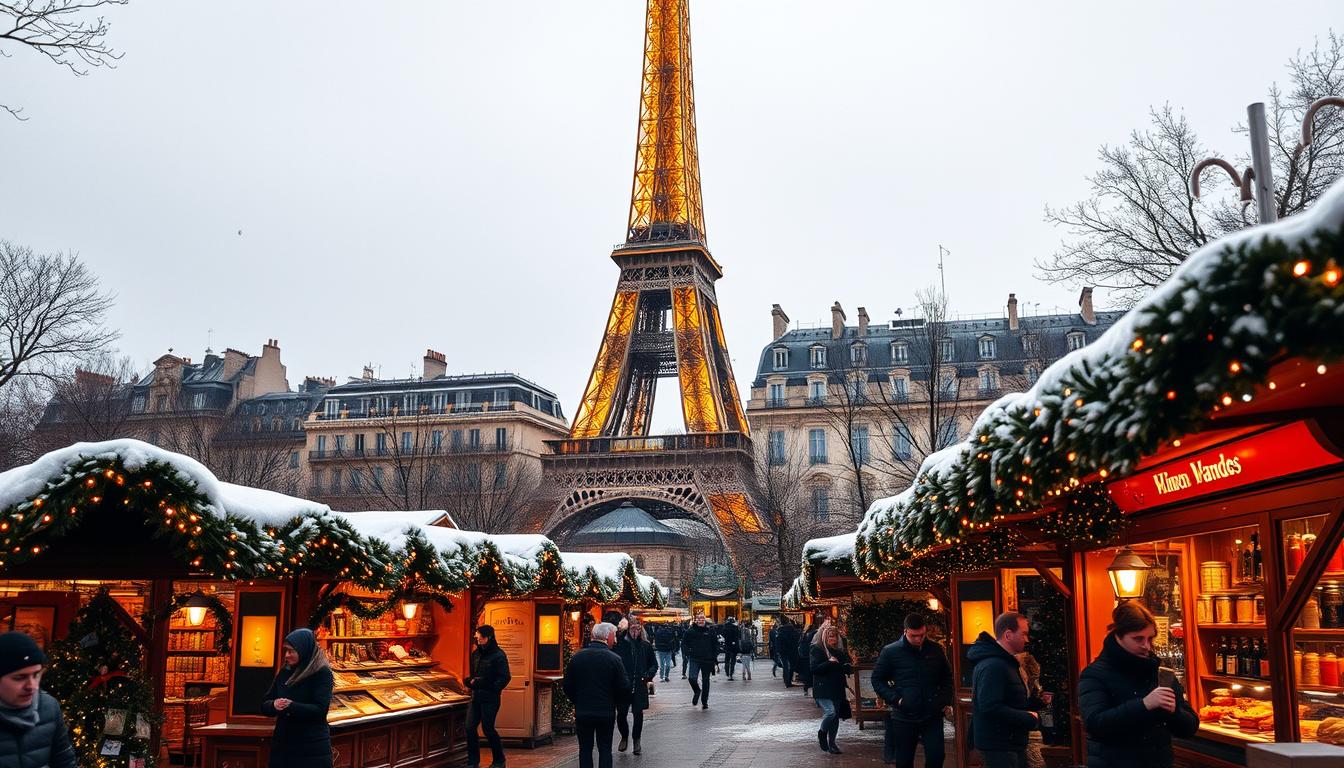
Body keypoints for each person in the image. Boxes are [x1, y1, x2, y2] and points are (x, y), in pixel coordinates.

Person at [1078, 602, 1198, 768]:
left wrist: (1174, 712)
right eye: (1138, 639)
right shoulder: (1095, 674)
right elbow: (1095, 724)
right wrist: (1144, 705)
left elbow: (1190, 727)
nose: (1146, 646)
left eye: (1150, 638)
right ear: (1118, 636)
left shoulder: (1157, 671)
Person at [871, 613, 953, 768]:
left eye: (921, 635)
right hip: (904, 715)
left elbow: (947, 678)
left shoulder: (935, 650)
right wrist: (897, 699)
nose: (918, 639)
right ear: (905, 631)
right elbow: (877, 680)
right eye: (914, 636)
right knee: (904, 760)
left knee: (936, 756)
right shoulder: (891, 651)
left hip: (932, 714)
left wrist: (942, 700)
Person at [968, 613, 1040, 768]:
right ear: (1008, 635)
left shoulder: (1005, 663)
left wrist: (1035, 703)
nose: (1027, 639)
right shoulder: (994, 666)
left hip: (1009, 742)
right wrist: (1027, 717)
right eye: (1024, 634)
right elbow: (990, 706)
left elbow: (1010, 698)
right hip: (1000, 744)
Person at [261, 628, 335, 768]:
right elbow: (265, 703)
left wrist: (291, 706)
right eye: (286, 651)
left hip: (311, 748)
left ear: (303, 650)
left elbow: (320, 709)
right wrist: (273, 705)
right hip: (283, 749)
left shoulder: (321, 673)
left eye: (291, 651)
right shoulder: (284, 672)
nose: (286, 655)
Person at [0, 631, 75, 768]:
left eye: (35, 675)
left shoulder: (49, 707)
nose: (32, 686)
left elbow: (65, 761)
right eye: (20, 677)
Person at [563, 622, 629, 768]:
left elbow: (567, 685)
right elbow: (624, 687)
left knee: (585, 749)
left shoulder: (577, 657)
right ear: (607, 636)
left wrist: (577, 701)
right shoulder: (614, 659)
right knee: (605, 748)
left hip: (583, 711)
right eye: (614, 636)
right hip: (605, 711)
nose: (615, 640)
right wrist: (615, 702)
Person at [465, 625, 512, 768]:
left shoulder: (498, 655)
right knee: (469, 727)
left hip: (490, 698)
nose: (478, 639)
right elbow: (474, 674)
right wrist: (470, 682)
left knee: (488, 728)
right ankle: (473, 761)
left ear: (488, 638)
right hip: (476, 697)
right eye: (477, 637)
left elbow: (505, 677)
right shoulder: (476, 654)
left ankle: (499, 760)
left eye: (481, 637)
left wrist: (491, 687)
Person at [614, 619, 658, 754]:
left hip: (639, 684)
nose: (635, 632)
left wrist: (647, 675)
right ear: (628, 629)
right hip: (623, 685)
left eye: (638, 629)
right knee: (621, 714)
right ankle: (624, 736)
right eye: (633, 629)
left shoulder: (645, 646)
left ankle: (636, 740)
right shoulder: (620, 645)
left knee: (638, 714)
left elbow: (654, 664)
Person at [809, 624, 853, 754]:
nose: (832, 639)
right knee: (831, 712)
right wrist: (829, 662)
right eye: (830, 636)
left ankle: (832, 743)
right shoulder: (817, 650)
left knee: (835, 717)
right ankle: (822, 733)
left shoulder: (840, 652)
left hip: (837, 687)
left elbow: (845, 667)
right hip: (822, 688)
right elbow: (814, 669)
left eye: (834, 636)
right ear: (824, 637)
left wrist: (847, 666)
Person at [681, 611, 718, 709]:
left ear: (705, 620)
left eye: (702, 618)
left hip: (707, 659)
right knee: (692, 678)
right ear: (695, 620)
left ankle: (704, 702)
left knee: (706, 681)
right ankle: (697, 690)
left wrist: (714, 657)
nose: (701, 620)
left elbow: (715, 644)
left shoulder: (710, 631)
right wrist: (687, 652)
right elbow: (684, 643)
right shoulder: (690, 631)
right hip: (694, 658)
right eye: (699, 618)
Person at [1016, 653, 1045, 768]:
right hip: (1025, 731)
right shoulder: (1018, 681)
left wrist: (1041, 702)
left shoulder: (1023, 681)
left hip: (1027, 731)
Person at [777, 616, 801, 687]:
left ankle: (786, 681)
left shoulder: (780, 631)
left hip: (783, 651)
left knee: (785, 666)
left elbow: (778, 642)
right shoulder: (793, 630)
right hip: (792, 650)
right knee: (791, 666)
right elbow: (796, 640)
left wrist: (778, 650)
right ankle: (789, 680)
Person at [720, 616, 742, 680]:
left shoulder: (725, 627)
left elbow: (723, 635)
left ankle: (727, 672)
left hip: (727, 645)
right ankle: (731, 673)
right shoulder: (735, 627)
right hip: (734, 647)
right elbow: (739, 636)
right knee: (733, 660)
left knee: (727, 659)